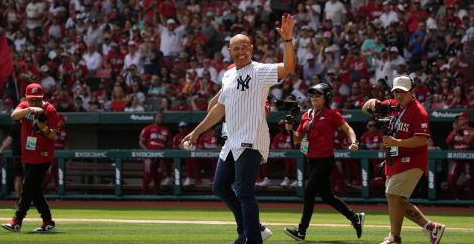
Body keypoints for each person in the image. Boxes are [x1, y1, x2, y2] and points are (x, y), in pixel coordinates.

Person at [182, 14, 296, 244]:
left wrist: (287, 41)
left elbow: (288, 68)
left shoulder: (260, 71)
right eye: (235, 47)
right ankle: (253, 229)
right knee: (220, 187)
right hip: (232, 141)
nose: (240, 50)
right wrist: (196, 132)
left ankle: (251, 238)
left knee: (244, 192)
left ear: (252, 48)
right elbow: (218, 109)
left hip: (252, 139)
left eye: (244, 46)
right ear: (229, 50)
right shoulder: (228, 74)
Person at [361, 75, 445, 244]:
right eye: (396, 91)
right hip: (394, 159)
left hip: (413, 159)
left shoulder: (419, 111)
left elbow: (422, 140)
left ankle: (395, 237)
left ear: (412, 91)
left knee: (392, 195)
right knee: (397, 200)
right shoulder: (391, 106)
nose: (399, 95)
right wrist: (371, 102)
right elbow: (365, 109)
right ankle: (431, 227)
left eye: (403, 92)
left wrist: (397, 142)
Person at [283, 83, 365, 242]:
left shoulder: (332, 113)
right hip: (311, 160)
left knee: (309, 192)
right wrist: (289, 129)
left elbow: (348, 129)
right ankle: (355, 218)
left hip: (325, 161)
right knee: (327, 197)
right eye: (312, 95)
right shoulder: (307, 114)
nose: (313, 97)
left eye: (317, 95)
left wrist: (354, 142)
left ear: (326, 97)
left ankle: (301, 231)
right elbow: (297, 139)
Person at [1, 83, 59, 232]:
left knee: (27, 188)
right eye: (31, 99)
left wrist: (43, 128)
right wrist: (29, 109)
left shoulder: (50, 109)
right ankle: (48, 221)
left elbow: (53, 134)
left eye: (37, 99)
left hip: (44, 155)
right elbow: (13, 115)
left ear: (42, 98)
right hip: (28, 154)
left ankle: (16, 221)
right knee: (35, 190)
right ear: (27, 98)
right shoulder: (25, 106)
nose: (34, 102)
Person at [139, 110, 172, 195]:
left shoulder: (166, 131)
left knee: (158, 178)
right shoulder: (148, 128)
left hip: (160, 157)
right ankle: (143, 197)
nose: (160, 119)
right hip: (149, 156)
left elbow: (168, 145)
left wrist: (164, 153)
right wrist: (147, 152)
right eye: (159, 117)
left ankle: (156, 198)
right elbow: (141, 142)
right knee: (147, 177)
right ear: (155, 118)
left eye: (161, 117)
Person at [445, 111, 473, 199]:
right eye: (459, 119)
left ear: (467, 120)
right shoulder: (455, 131)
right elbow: (448, 142)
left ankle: (472, 202)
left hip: (468, 161)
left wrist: (470, 139)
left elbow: (471, 143)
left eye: (462, 119)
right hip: (456, 160)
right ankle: (457, 200)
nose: (460, 121)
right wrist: (455, 131)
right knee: (451, 181)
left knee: (471, 182)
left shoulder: (472, 130)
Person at [0, 120, 23, 198]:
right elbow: (9, 139)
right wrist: (1, 150)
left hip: (28, 155)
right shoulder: (15, 125)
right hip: (18, 155)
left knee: (27, 178)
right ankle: (18, 199)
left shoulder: (30, 124)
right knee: (19, 177)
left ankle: (26, 199)